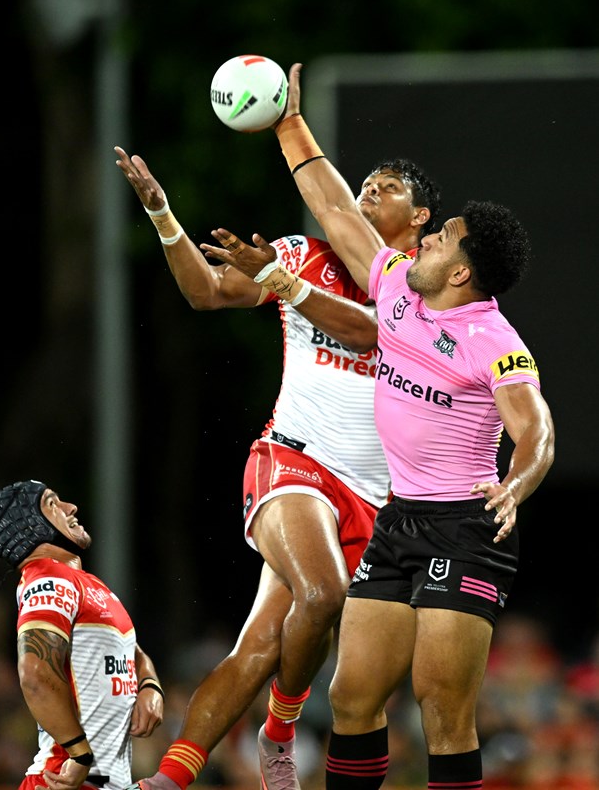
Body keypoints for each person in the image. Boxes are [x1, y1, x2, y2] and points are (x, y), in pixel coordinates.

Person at [201, 63, 556, 790]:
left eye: (441, 239)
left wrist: (516, 484)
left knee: (442, 709)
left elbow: (536, 429)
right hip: (398, 522)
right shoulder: (396, 289)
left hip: (464, 527)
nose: (424, 243)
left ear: (461, 273)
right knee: (352, 698)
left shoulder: (494, 340)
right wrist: (289, 125)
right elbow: (335, 209)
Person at [114, 144, 441, 790]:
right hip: (294, 460)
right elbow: (207, 292)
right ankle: (280, 731)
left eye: (387, 187)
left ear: (420, 216)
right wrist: (162, 215)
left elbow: (368, 332)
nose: (367, 193)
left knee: (263, 645)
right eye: (363, 186)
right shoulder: (300, 255)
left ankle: (169, 778)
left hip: (373, 499)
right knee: (322, 593)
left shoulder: (427, 288)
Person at [0, 479, 164, 790]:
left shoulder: (88, 584)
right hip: (65, 779)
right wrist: (79, 754)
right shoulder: (48, 577)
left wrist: (149, 684)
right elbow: (35, 672)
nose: (71, 507)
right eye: (52, 503)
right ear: (29, 524)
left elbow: (133, 652)